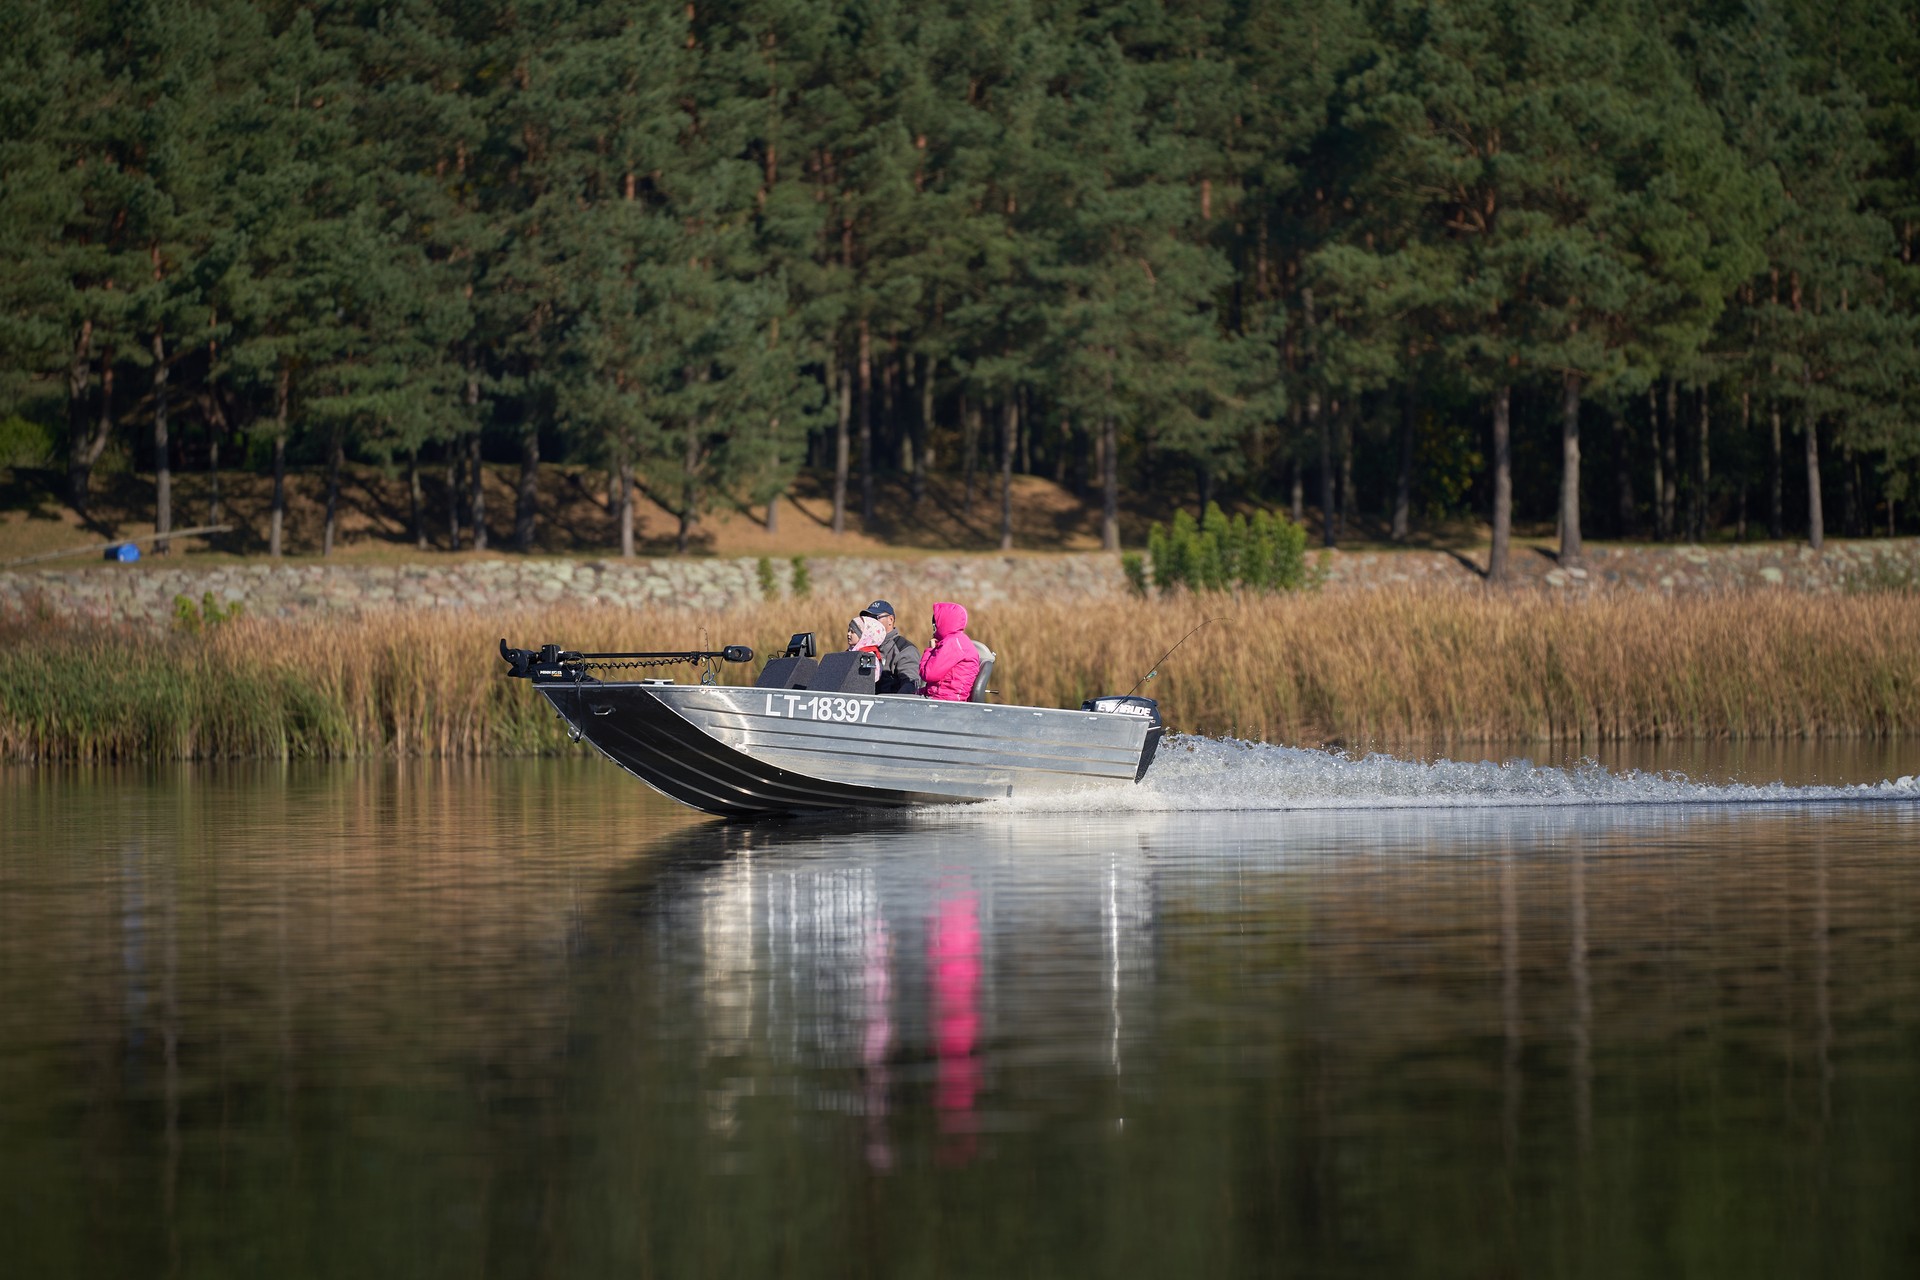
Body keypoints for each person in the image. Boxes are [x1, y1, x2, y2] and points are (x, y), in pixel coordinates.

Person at [919, 602, 981, 702]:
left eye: (935, 622)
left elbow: (928, 675)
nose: (934, 626)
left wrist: (930, 650)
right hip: (940, 697)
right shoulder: (958, 641)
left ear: (944, 622)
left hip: (943, 701)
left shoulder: (952, 644)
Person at [860, 599, 922, 695]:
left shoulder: (904, 649)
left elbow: (911, 685)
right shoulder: (862, 646)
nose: (870, 623)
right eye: (867, 619)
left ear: (891, 620)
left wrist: (891, 706)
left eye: (875, 618)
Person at [846, 614, 887, 684]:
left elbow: (870, 679)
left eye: (852, 632)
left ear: (864, 636)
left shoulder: (868, 656)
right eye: (848, 631)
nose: (848, 634)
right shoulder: (850, 652)